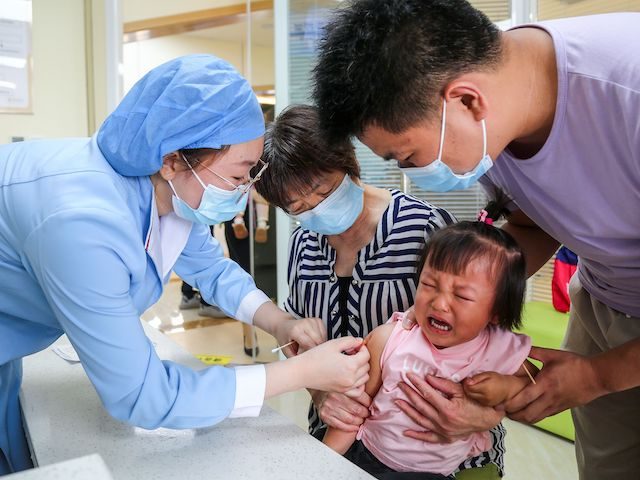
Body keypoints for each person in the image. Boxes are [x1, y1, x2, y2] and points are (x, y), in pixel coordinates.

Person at [312, 1, 640, 478]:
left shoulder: (626, 92)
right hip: (604, 294)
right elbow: (531, 222)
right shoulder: (493, 102)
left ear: (467, 101)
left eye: (407, 157)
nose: (413, 175)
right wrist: (468, 314)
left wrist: (598, 374)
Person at [0, 55, 371, 475]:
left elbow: (211, 270)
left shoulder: (168, 192)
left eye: (252, 173)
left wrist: (281, 324)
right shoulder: (81, 222)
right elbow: (141, 396)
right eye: (238, 176)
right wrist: (297, 371)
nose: (245, 191)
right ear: (173, 159)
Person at [256, 105, 511, 478]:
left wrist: (483, 411)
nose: (318, 210)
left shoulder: (424, 227)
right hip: (340, 446)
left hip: (436, 445)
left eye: (324, 191)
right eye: (299, 207)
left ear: (349, 162)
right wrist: (322, 395)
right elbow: (302, 344)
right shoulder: (302, 247)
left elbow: (485, 339)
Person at [322, 199, 537, 479]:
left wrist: (506, 387)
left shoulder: (498, 348)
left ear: (497, 311)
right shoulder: (391, 339)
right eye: (429, 285)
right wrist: (323, 462)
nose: (440, 303)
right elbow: (353, 410)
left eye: (462, 296)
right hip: (369, 456)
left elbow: (532, 379)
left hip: (435, 473)